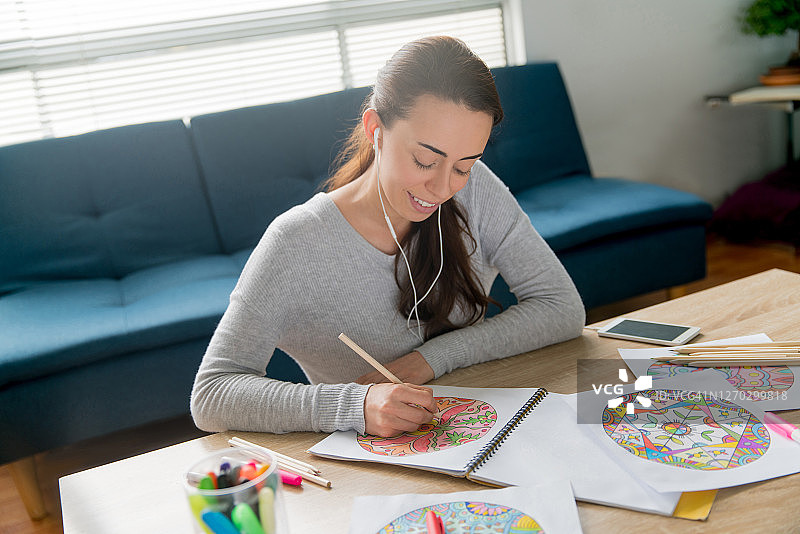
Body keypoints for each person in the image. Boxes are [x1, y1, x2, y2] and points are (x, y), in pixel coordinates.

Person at [190, 36, 585, 438]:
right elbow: (212, 393)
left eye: (463, 166)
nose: (443, 188)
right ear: (375, 129)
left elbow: (562, 307)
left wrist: (432, 358)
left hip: (481, 429)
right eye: (425, 161)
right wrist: (354, 405)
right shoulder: (297, 243)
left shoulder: (475, 189)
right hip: (375, 462)